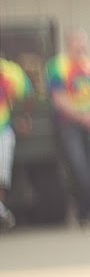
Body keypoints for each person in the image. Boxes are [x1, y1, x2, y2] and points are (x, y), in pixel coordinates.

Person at [47, 29, 90, 227]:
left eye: (84, 42)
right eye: (78, 42)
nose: (83, 46)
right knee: (78, 166)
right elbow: (58, 99)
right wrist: (81, 117)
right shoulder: (57, 66)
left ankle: (83, 213)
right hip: (68, 125)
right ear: (69, 44)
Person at [0, 55, 30, 230]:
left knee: (1, 177)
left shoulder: (9, 72)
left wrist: (24, 118)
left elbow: (27, 93)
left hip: (2, 130)